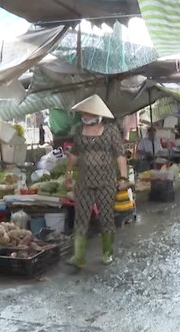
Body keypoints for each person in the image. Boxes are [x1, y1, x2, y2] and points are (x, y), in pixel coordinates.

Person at [64, 95, 129, 269]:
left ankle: (107, 252)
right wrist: (68, 173)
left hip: (106, 182)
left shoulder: (111, 131)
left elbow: (120, 156)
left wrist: (123, 177)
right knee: (81, 218)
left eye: (88, 112)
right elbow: (74, 154)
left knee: (106, 217)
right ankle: (79, 257)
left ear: (97, 115)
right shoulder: (79, 132)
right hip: (84, 182)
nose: (85, 115)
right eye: (83, 112)